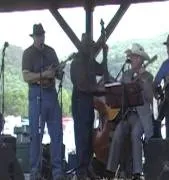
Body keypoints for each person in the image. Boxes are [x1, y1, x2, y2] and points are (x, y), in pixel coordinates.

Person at [22, 23, 64, 180]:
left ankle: (57, 171)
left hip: (51, 94)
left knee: (57, 133)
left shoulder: (51, 51)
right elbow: (26, 77)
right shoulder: (28, 53)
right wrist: (44, 74)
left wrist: (59, 71)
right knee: (36, 134)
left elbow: (58, 73)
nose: (41, 38)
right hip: (36, 94)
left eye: (42, 35)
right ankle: (35, 171)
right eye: (38, 35)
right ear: (33, 37)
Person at [106, 43, 154, 180]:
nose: (131, 59)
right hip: (128, 114)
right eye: (131, 57)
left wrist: (143, 81)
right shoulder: (126, 74)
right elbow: (119, 91)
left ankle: (137, 172)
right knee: (118, 132)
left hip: (141, 116)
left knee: (135, 134)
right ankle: (111, 170)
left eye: (134, 57)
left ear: (140, 59)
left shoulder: (148, 76)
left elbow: (150, 97)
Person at [70, 33, 108, 179]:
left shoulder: (89, 60)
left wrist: (105, 54)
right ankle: (81, 171)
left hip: (88, 101)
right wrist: (97, 89)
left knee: (87, 135)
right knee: (82, 137)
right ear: (84, 46)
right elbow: (82, 85)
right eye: (89, 46)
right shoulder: (78, 61)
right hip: (80, 102)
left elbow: (102, 70)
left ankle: (86, 168)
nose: (91, 49)